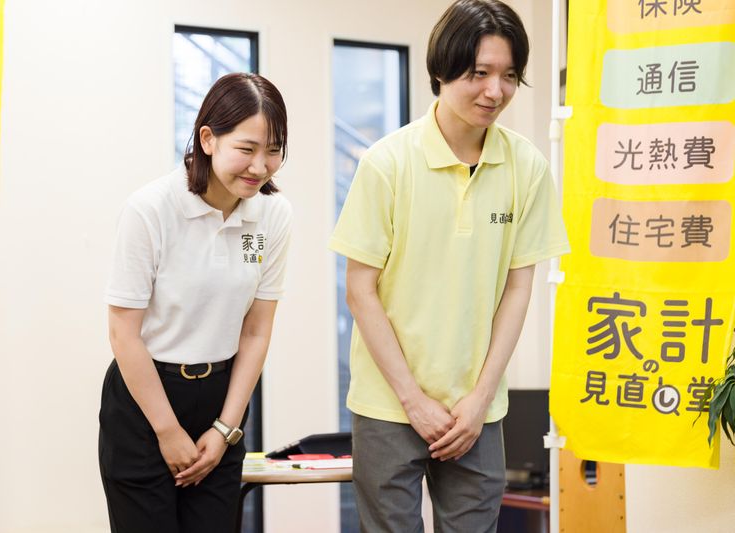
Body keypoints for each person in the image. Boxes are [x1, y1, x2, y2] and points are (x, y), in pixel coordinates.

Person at [329, 1, 570, 531]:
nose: (495, 91)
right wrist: (413, 400)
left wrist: (481, 398)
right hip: (389, 404)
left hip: (476, 411)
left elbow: (518, 290)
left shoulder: (528, 167)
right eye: (478, 73)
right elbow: (360, 291)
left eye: (509, 76)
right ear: (441, 70)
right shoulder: (387, 163)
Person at [98, 72, 292, 533]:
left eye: (273, 150)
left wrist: (225, 429)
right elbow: (123, 334)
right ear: (208, 139)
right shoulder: (151, 209)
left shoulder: (272, 215)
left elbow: (256, 331)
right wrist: (167, 432)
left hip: (222, 402)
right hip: (145, 402)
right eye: (246, 149)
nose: (260, 166)